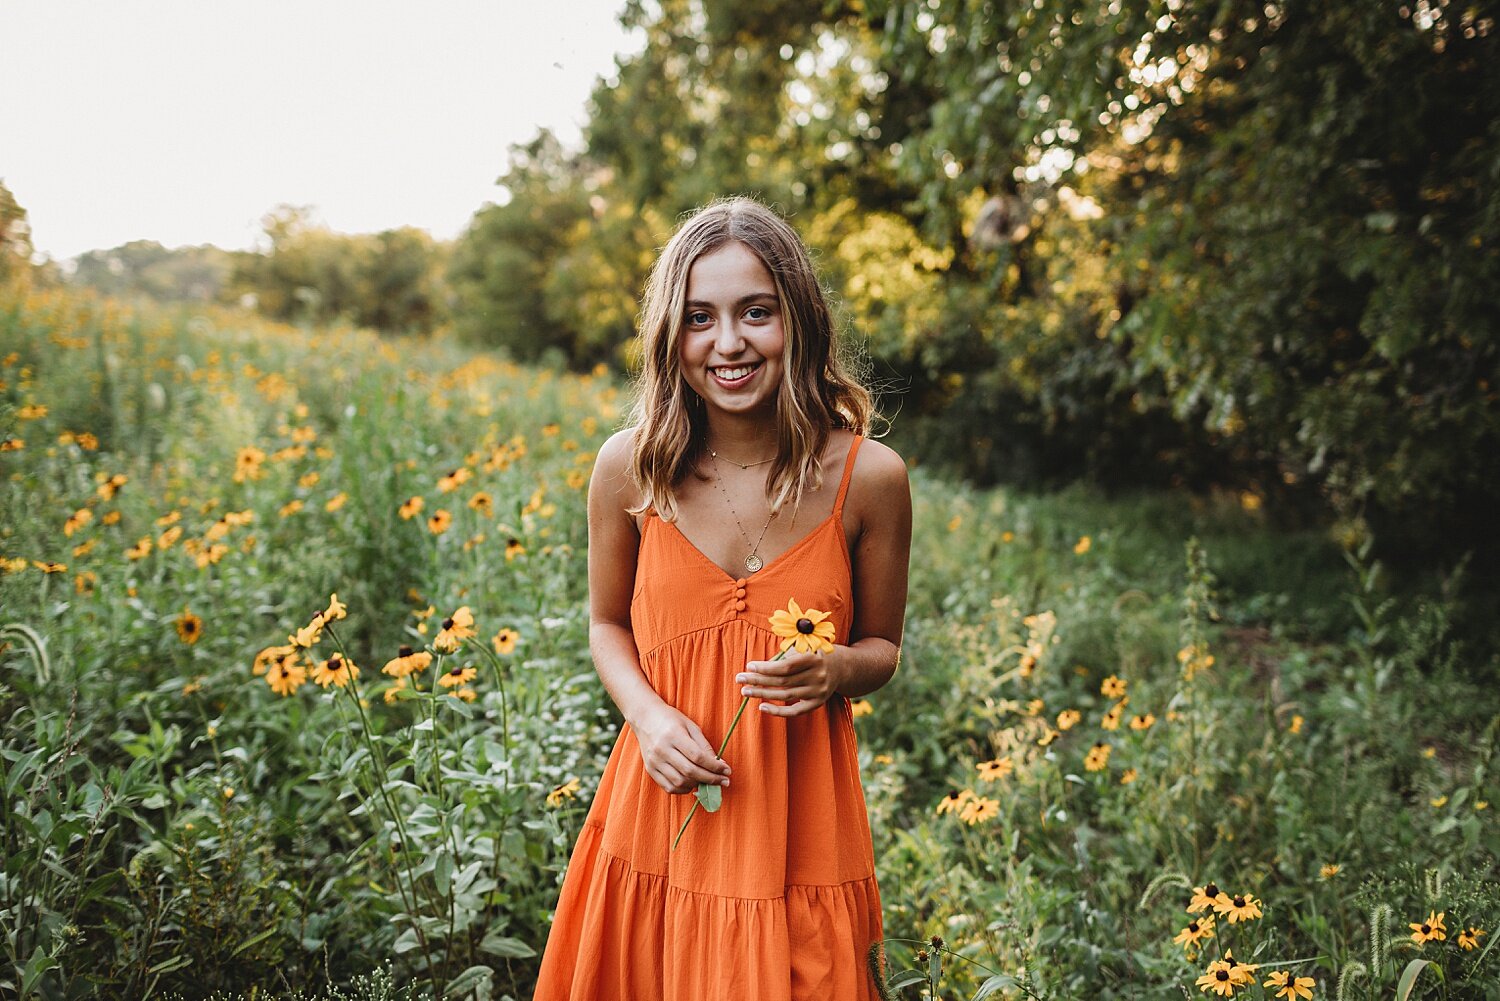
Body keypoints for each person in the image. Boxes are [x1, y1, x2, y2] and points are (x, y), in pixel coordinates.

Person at [532, 196, 912, 1000]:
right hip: (659, 819)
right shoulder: (628, 469)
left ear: (799, 321)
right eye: (700, 316)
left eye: (757, 312)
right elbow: (605, 623)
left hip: (798, 841)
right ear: (672, 334)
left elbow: (883, 648)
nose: (729, 342)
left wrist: (839, 668)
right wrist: (648, 715)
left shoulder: (870, 479)